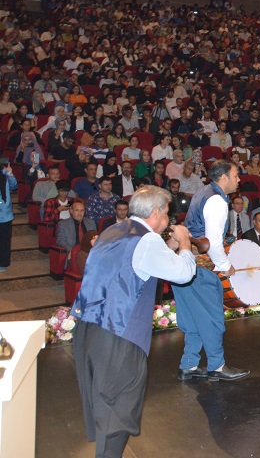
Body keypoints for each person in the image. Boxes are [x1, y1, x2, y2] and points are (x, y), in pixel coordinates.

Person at [72, 186, 196, 458]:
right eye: (166, 213)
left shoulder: (113, 230)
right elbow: (184, 274)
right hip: (119, 335)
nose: (168, 218)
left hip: (88, 328)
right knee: (119, 411)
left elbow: (134, 265)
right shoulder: (147, 241)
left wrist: (169, 248)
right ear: (155, 213)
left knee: (105, 408)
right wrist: (185, 244)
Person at [172, 160, 249, 382]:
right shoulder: (216, 200)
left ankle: (189, 364)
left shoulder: (203, 191)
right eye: (235, 175)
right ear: (223, 178)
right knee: (211, 316)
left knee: (193, 317)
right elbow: (214, 243)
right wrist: (226, 267)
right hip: (200, 266)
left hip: (184, 263)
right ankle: (217, 365)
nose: (239, 179)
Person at [0, 160, 18, 272]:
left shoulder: (5, 173)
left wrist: (11, 174)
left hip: (5, 214)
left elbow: (14, 186)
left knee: (4, 241)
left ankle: (2, 263)